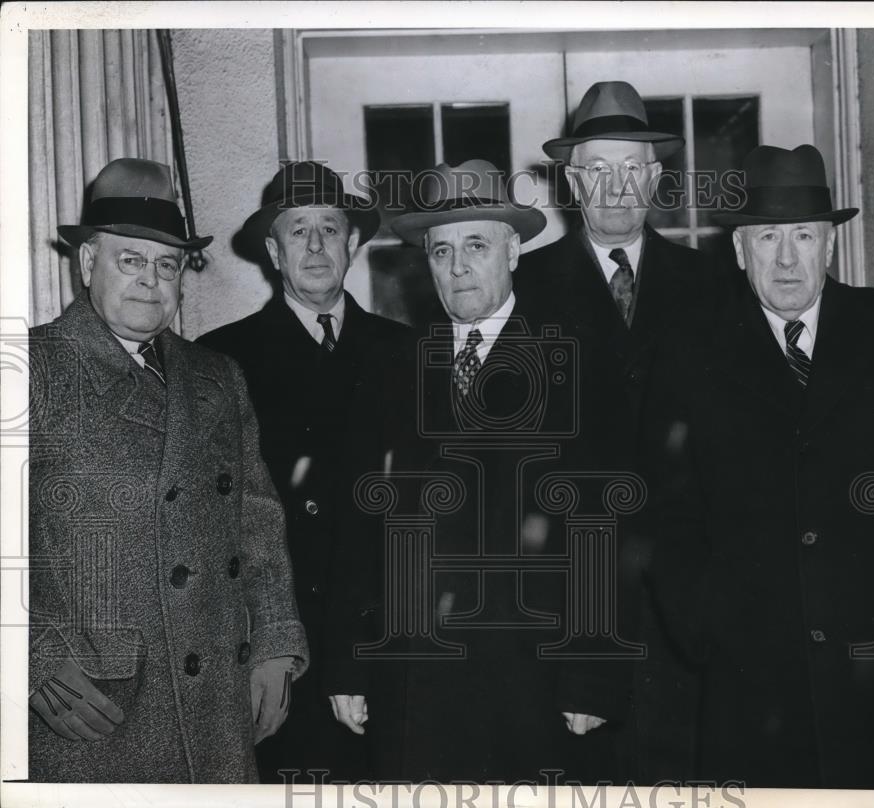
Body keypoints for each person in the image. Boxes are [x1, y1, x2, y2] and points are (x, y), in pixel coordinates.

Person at [640, 144, 874, 788]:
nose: (787, 259)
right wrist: (706, 627)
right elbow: (664, 511)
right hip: (756, 683)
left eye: (803, 235)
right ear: (740, 250)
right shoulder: (688, 351)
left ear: (830, 244)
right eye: (768, 237)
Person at [326, 160, 621, 783]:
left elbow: (603, 528)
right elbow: (358, 530)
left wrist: (591, 672)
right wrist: (349, 665)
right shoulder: (391, 369)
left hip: (529, 678)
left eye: (476, 245)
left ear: (513, 250)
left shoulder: (573, 362)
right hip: (410, 676)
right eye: (442, 250)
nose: (457, 266)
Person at [29, 157, 308, 783]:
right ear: (87, 263)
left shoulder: (217, 376)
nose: (150, 281)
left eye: (167, 265)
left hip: (218, 709)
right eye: (130, 259)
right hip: (94, 708)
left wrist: (274, 643)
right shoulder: (31, 369)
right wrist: (29, 658)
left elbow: (258, 521)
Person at [517, 79, 724, 782]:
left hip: (689, 617)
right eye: (597, 170)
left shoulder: (714, 285)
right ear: (573, 183)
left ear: (656, 179)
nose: (614, 186)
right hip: (571, 615)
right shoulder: (523, 287)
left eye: (630, 168)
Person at [198, 161, 410, 782]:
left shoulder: (406, 352)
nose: (316, 246)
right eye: (298, 231)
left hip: (386, 635)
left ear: (353, 242)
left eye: (330, 228)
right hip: (282, 644)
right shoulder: (221, 359)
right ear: (273, 252)